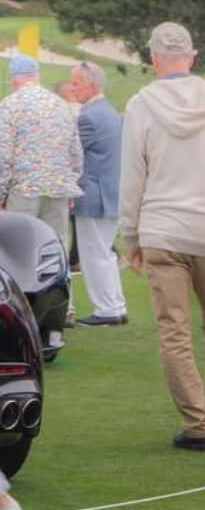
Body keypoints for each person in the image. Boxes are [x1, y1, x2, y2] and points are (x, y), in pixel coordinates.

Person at [118, 21, 205, 451]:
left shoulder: (141, 104)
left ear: (154, 58)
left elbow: (132, 177)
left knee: (174, 330)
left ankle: (198, 423)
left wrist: (130, 235)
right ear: (191, 57)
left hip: (163, 228)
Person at [65, 62, 127, 326]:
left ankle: (107, 310)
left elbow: (71, 153)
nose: (72, 88)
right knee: (104, 254)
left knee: (94, 255)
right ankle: (114, 306)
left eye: (76, 83)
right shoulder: (108, 112)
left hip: (94, 197)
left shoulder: (89, 116)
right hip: (108, 195)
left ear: (92, 86)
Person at [0, 53, 82, 245]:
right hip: (58, 187)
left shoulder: (9, 106)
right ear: (38, 76)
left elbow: (3, 156)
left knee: (20, 249)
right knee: (54, 249)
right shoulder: (61, 105)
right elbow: (76, 153)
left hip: (24, 190)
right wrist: (71, 182)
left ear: (13, 79)